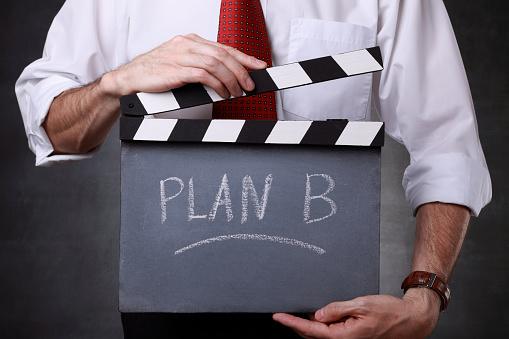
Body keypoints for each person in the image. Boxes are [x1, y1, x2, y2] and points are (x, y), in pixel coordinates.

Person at [15, 0, 491, 338]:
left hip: (334, 317)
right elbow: (55, 129)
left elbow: (447, 143)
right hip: (164, 308)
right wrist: (113, 85)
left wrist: (424, 298)